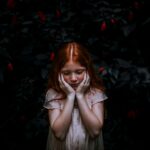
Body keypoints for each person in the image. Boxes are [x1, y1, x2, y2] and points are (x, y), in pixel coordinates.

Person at [43, 41, 108, 150]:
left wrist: (81, 96)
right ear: (58, 72)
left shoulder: (95, 93)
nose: (73, 78)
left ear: (88, 70)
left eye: (79, 72)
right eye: (66, 73)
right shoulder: (54, 94)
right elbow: (59, 134)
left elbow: (95, 131)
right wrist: (69, 97)